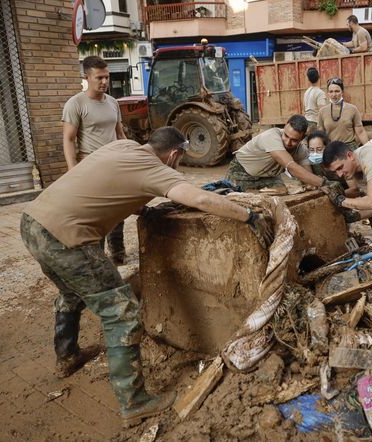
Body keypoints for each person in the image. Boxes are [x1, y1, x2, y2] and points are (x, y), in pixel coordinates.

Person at [21, 127, 273, 428]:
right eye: (179, 161)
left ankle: (67, 356)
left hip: (33, 223)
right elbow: (200, 200)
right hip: (67, 240)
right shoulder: (156, 168)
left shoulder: (125, 147)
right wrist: (249, 217)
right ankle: (135, 403)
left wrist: (143, 209)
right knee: (122, 313)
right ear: (175, 154)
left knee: (72, 291)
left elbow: (114, 184)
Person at [62, 55, 128, 265]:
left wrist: (129, 155)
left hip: (115, 165)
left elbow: (120, 133)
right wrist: (73, 170)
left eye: (107, 77)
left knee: (118, 210)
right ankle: (98, 259)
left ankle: (118, 253)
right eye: (99, 77)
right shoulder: (76, 103)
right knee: (97, 215)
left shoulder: (113, 102)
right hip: (91, 166)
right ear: (87, 77)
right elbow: (69, 139)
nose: (104, 82)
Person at [225, 114, 327, 190]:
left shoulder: (301, 149)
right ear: (284, 127)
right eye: (286, 136)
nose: (288, 142)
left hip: (268, 177)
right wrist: (324, 183)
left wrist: (313, 184)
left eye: (294, 140)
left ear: (302, 138)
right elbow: (290, 166)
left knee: (281, 194)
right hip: (240, 172)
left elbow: (308, 176)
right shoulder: (271, 136)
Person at [318, 77, 370, 151]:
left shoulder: (352, 109)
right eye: (331, 91)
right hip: (332, 149)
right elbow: (321, 135)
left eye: (337, 91)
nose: (334, 94)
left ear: (342, 92)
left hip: (349, 148)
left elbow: (360, 132)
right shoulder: (322, 111)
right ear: (328, 93)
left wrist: (368, 148)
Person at [303, 67, 328, 135]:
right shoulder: (320, 93)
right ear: (319, 77)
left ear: (308, 79)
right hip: (315, 123)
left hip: (307, 121)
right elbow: (322, 111)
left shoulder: (306, 92)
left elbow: (304, 109)